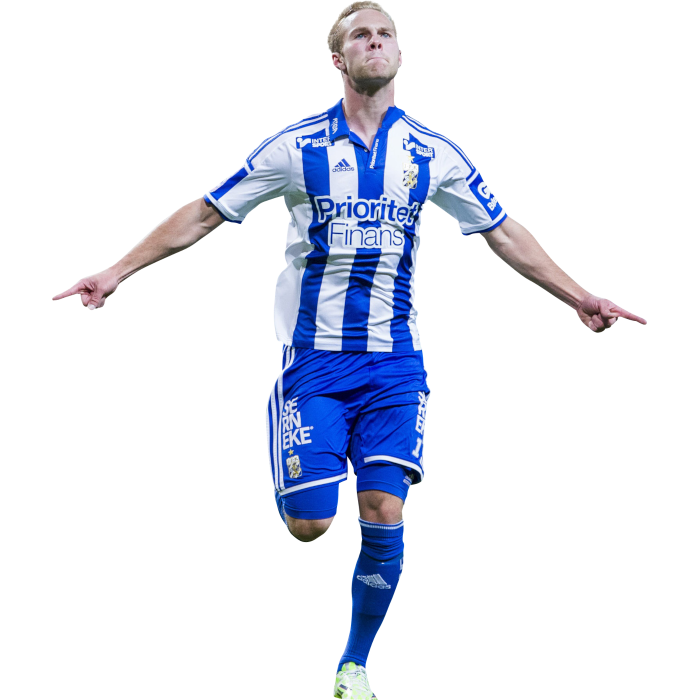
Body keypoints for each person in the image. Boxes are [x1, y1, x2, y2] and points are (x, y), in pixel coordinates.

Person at [52, 2, 647, 697]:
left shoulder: (430, 153)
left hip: (397, 363)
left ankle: (354, 664)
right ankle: (286, 410)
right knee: (310, 525)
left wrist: (577, 296)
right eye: (361, 35)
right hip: (318, 361)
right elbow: (206, 213)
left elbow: (502, 232)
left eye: (385, 34)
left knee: (385, 510)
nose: (375, 42)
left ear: (400, 54)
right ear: (338, 58)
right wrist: (117, 271)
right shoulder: (295, 148)